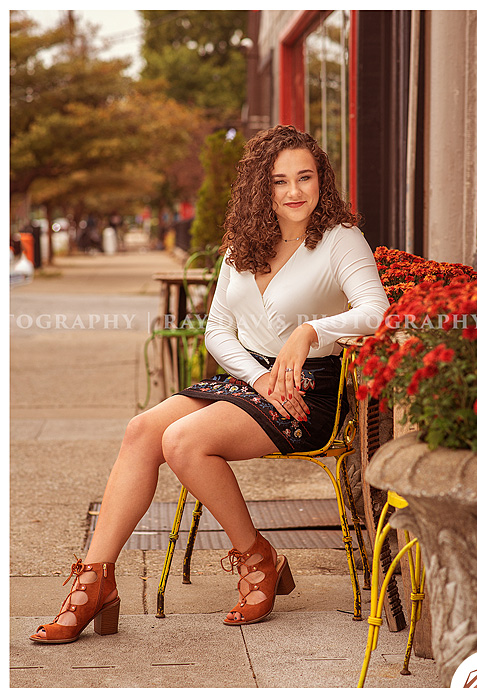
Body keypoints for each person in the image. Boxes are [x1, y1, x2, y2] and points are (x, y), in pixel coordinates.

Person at [30, 125, 388, 643]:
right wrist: (258, 375)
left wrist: (310, 331)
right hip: (249, 377)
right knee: (142, 430)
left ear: (321, 180)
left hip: (309, 388)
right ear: (259, 188)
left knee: (183, 440)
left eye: (305, 178)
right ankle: (95, 581)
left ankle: (257, 559)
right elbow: (218, 329)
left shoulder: (339, 240)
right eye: (279, 181)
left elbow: (376, 312)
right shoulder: (242, 244)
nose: (293, 192)